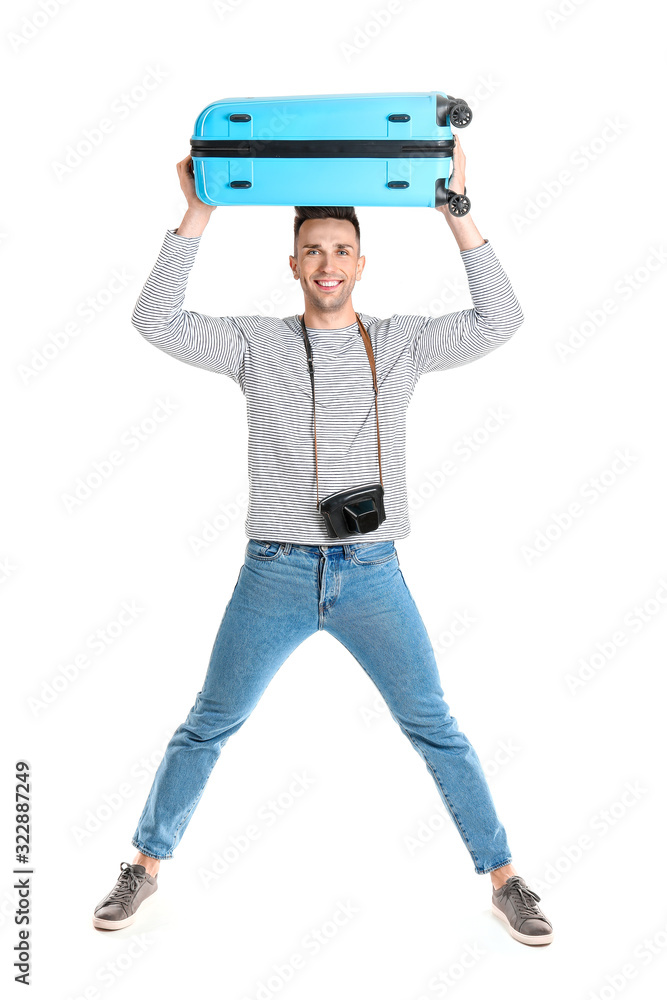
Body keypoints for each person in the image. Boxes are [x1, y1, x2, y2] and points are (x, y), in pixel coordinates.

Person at [92, 137, 553, 946]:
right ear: (294, 264)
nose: (328, 262)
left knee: (434, 726)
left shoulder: (403, 341)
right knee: (208, 723)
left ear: (362, 263)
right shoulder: (252, 343)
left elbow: (501, 319)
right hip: (271, 572)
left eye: (341, 249)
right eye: (313, 251)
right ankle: (143, 864)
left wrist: (457, 214)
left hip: (372, 574)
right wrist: (197, 213)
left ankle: (505, 877)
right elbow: (153, 319)